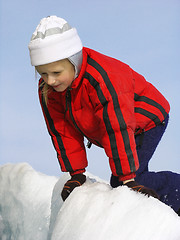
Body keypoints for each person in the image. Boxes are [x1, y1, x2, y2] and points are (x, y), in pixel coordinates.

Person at [28, 16, 180, 215]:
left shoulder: (102, 78)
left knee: (127, 184)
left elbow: (118, 126)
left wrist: (127, 177)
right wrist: (76, 174)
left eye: (56, 72)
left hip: (144, 118)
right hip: (114, 125)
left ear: (73, 61)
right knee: (124, 183)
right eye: (43, 74)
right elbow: (61, 131)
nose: (50, 80)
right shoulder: (48, 90)